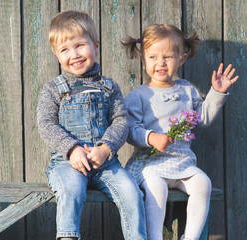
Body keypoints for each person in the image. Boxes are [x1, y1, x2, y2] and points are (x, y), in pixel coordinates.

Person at [122, 24, 239, 240]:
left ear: (181, 59)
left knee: (203, 184)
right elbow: (129, 130)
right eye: (153, 57)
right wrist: (150, 137)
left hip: (182, 162)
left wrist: (216, 93)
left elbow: (201, 117)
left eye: (167, 57)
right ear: (143, 58)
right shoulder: (139, 95)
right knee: (156, 188)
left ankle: (190, 238)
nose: (161, 63)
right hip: (151, 165)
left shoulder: (187, 90)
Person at [37, 10, 147, 240]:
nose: (74, 54)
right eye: (65, 49)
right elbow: (46, 124)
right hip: (68, 163)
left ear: (95, 46)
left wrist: (106, 148)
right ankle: (68, 237)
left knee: (131, 192)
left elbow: (121, 121)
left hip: (106, 163)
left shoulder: (109, 87)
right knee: (71, 190)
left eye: (80, 45)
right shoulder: (53, 89)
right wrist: (72, 148)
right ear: (56, 54)